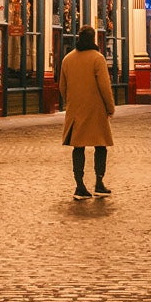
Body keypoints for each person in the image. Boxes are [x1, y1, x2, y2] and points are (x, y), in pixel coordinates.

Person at [56, 26, 115, 198]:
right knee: (101, 146)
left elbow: (62, 86)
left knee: (78, 147)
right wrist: (110, 107)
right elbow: (105, 86)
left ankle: (79, 185)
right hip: (96, 111)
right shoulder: (98, 59)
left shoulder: (68, 59)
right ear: (93, 39)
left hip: (75, 110)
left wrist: (71, 102)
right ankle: (99, 182)